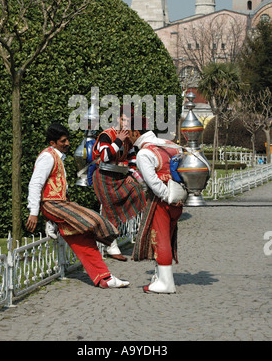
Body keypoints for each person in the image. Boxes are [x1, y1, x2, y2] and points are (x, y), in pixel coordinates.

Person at [26, 122, 130, 289]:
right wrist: (34, 212)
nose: (67, 143)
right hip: (54, 205)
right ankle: (109, 242)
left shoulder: (55, 156)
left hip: (59, 206)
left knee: (84, 238)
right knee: (92, 219)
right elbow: (35, 184)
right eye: (63, 141)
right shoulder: (47, 157)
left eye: (67, 140)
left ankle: (104, 278)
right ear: (53, 143)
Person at [128, 117, 186, 294]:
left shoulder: (145, 153)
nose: (127, 138)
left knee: (160, 239)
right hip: (179, 198)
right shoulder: (170, 144)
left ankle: (166, 282)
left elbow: (152, 182)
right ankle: (160, 276)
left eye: (129, 134)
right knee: (167, 237)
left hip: (162, 201)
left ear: (135, 133)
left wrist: (166, 196)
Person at [91, 106, 147, 261]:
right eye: (123, 119)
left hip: (120, 178)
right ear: (118, 119)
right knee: (109, 210)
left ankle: (144, 232)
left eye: (129, 120)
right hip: (104, 177)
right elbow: (104, 156)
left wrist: (131, 174)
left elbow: (131, 157)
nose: (126, 123)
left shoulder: (128, 137)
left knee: (137, 191)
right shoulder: (107, 135)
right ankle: (112, 246)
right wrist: (118, 140)